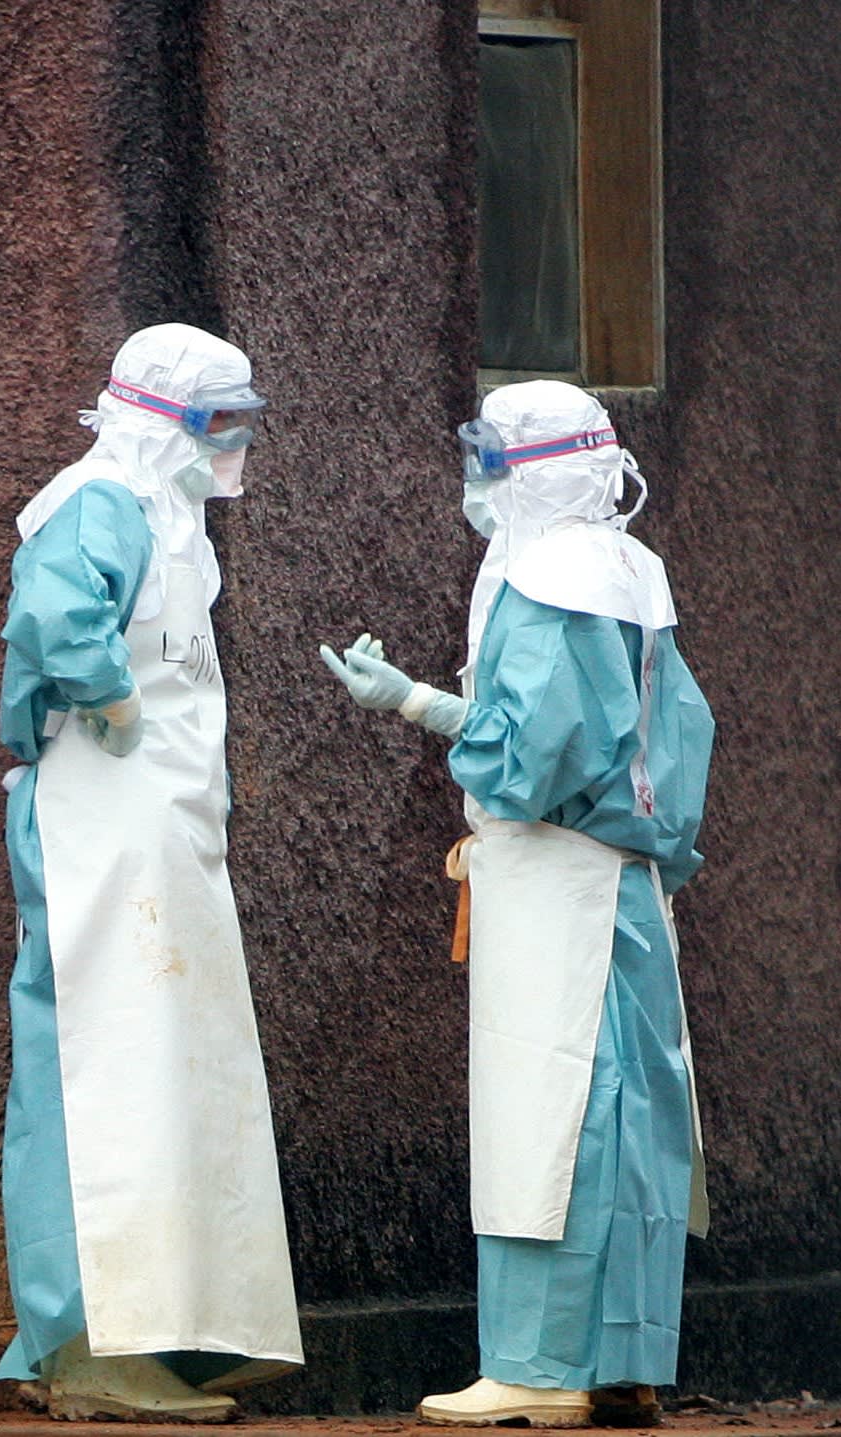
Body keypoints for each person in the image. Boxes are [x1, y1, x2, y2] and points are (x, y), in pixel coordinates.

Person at [321, 380, 714, 1428]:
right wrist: (425, 701)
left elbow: (527, 751)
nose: (478, 478)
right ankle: (620, 1361)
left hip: (550, 882)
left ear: (529, 468)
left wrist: (425, 711)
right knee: (629, 1117)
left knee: (547, 1117)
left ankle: (538, 1371)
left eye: (490, 457)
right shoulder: (630, 570)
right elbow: (669, 735)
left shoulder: (543, 576)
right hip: (627, 888)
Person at [0, 323, 303, 1422]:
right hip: (96, 814)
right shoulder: (98, 502)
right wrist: (103, 691)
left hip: (155, 825)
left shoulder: (160, 515)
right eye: (218, 421)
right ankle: (81, 1340)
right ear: (162, 418)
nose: (232, 443)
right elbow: (55, 615)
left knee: (167, 1068)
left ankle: (162, 1326)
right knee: (96, 1068)